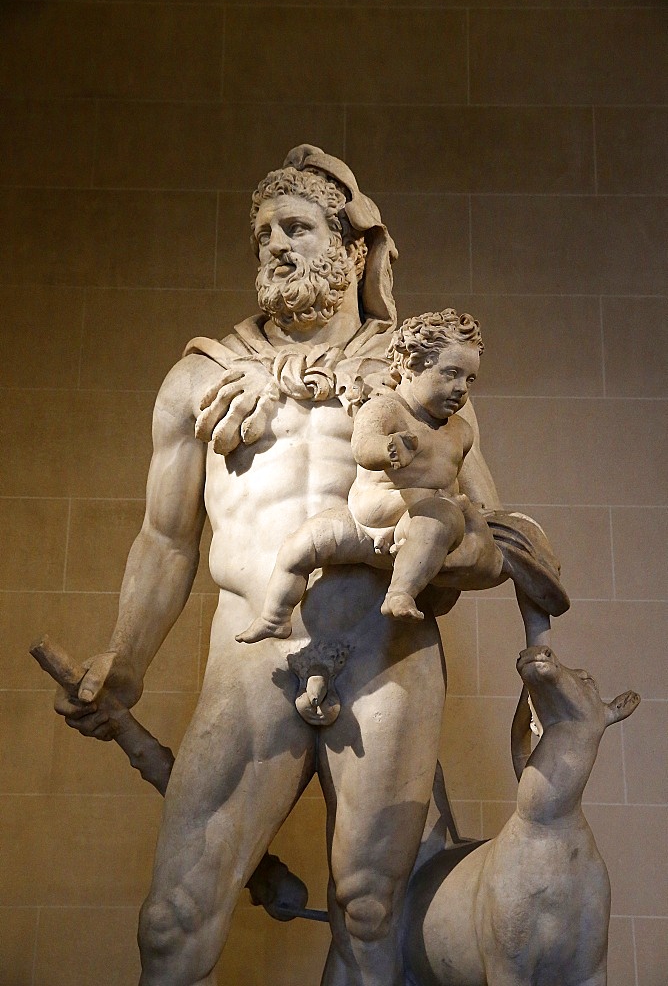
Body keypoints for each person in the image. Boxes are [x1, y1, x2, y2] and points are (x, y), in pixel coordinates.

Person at [54, 145, 565, 986]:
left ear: (352, 251)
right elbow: (167, 540)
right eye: (263, 235)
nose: (276, 247)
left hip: (385, 656)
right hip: (255, 653)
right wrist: (127, 658)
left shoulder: (416, 369)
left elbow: (482, 527)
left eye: (296, 228)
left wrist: (454, 550)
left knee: (370, 913)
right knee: (175, 915)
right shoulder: (200, 380)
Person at [237, 309, 495, 643]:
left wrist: (469, 518)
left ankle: (401, 592)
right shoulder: (386, 408)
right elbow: (362, 446)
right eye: (451, 374)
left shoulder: (460, 432)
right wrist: (389, 448)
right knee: (298, 546)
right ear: (409, 366)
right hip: (363, 520)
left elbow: (462, 489)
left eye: (469, 379)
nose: (461, 388)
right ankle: (274, 616)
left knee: (441, 518)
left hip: (416, 525)